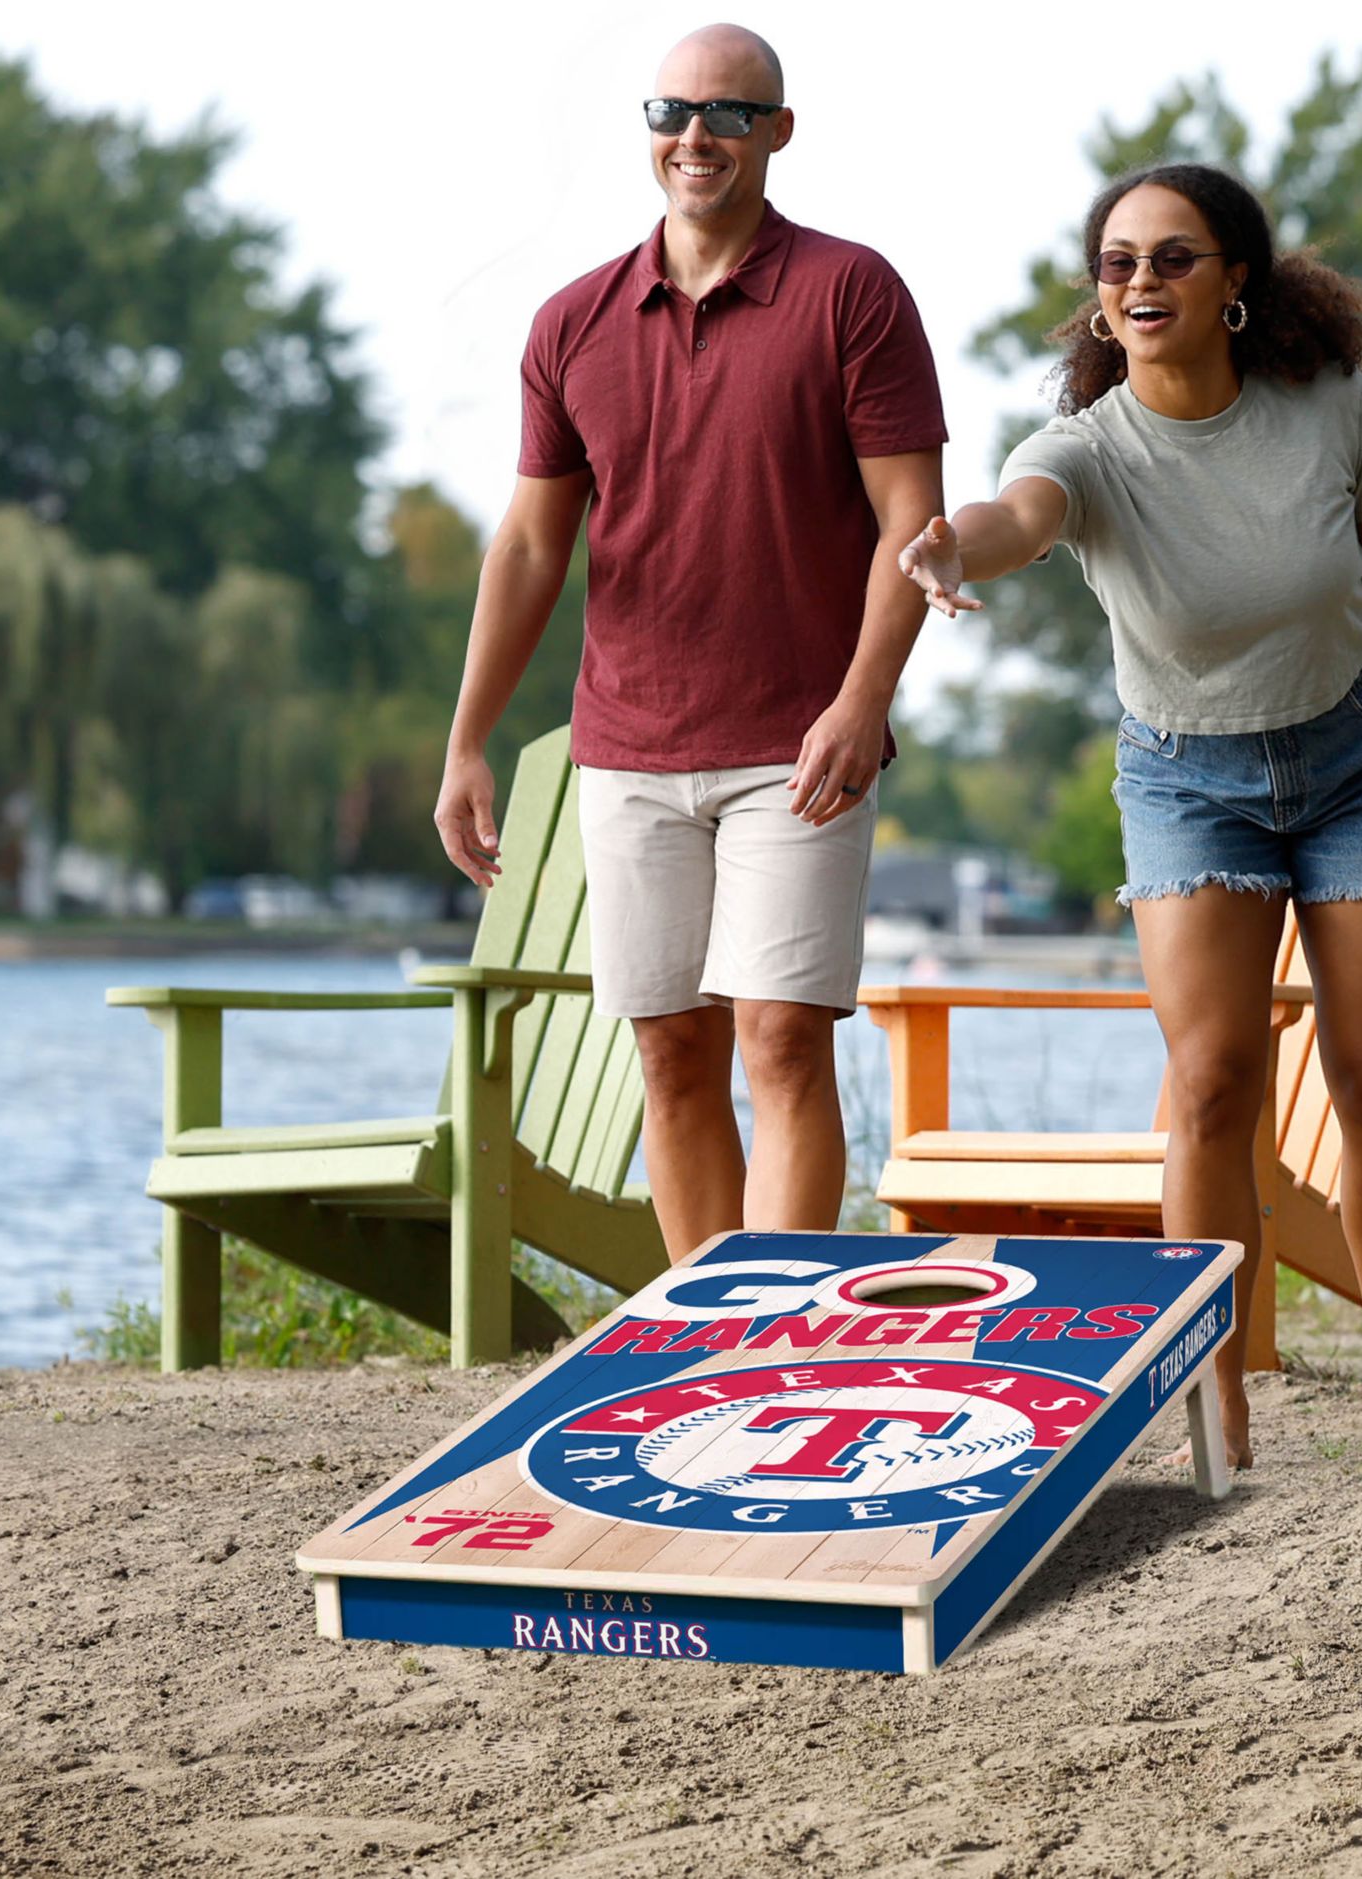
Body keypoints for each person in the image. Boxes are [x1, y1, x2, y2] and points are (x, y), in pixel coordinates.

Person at [900, 163, 1362, 1463]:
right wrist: (950, 548)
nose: (1142, 282)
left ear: (1235, 283)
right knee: (1214, 1079)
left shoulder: (1326, 408)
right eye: (1117, 264)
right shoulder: (1084, 449)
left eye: (1172, 257)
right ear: (1098, 302)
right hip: (1186, 780)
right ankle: (1215, 1393)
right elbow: (1014, 517)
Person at [434, 24, 945, 1263]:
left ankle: (775, 1337)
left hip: (801, 744)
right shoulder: (572, 322)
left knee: (779, 1036)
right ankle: (701, 1344)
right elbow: (526, 550)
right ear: (649, 131)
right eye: (672, 112)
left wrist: (861, 699)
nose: (695, 136)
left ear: (779, 130)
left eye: (727, 113)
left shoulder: (849, 292)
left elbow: (911, 526)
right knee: (669, 1049)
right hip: (629, 743)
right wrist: (465, 744)